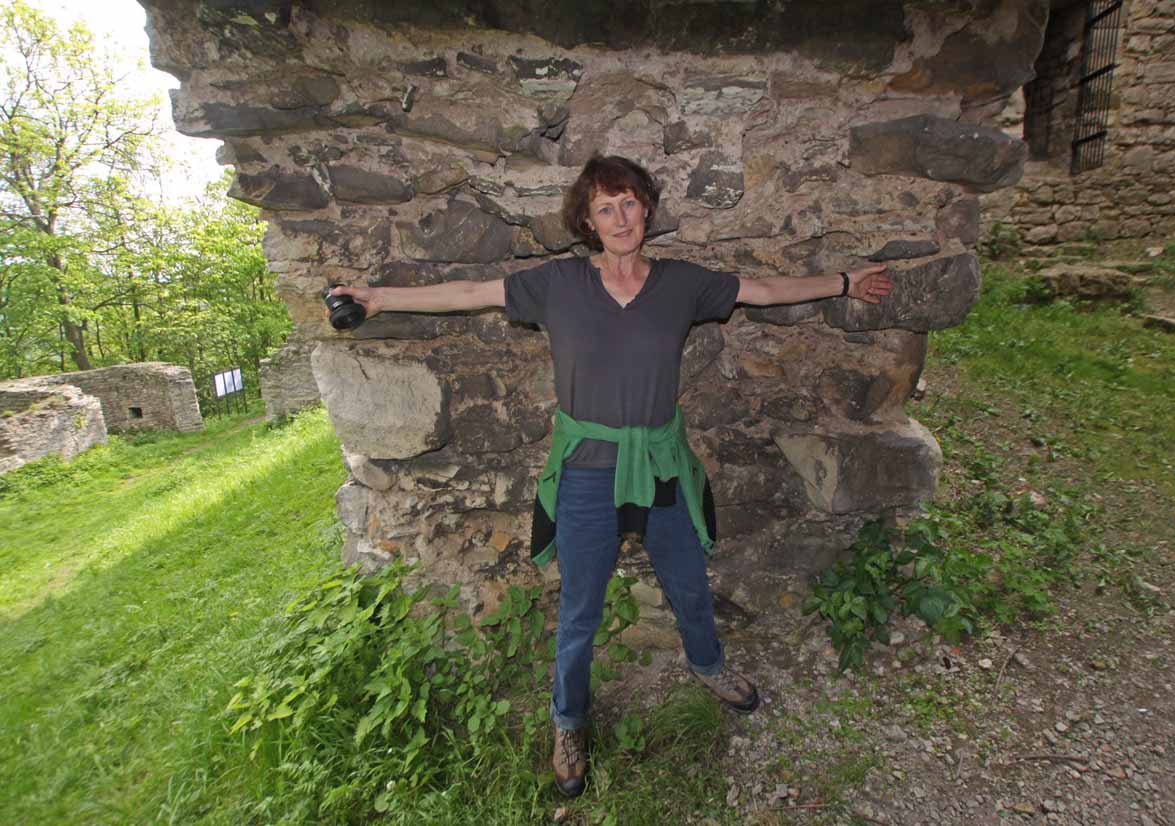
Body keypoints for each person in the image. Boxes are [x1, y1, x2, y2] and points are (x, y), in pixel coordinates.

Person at [326, 155, 892, 798]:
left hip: (659, 464)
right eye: (605, 208)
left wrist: (845, 281)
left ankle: (708, 666)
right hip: (588, 473)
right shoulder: (559, 284)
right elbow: (467, 293)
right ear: (588, 222)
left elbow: (761, 289)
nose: (620, 218)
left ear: (645, 209)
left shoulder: (680, 284)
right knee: (579, 608)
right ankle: (568, 722)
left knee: (689, 582)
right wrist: (379, 299)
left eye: (628, 203)